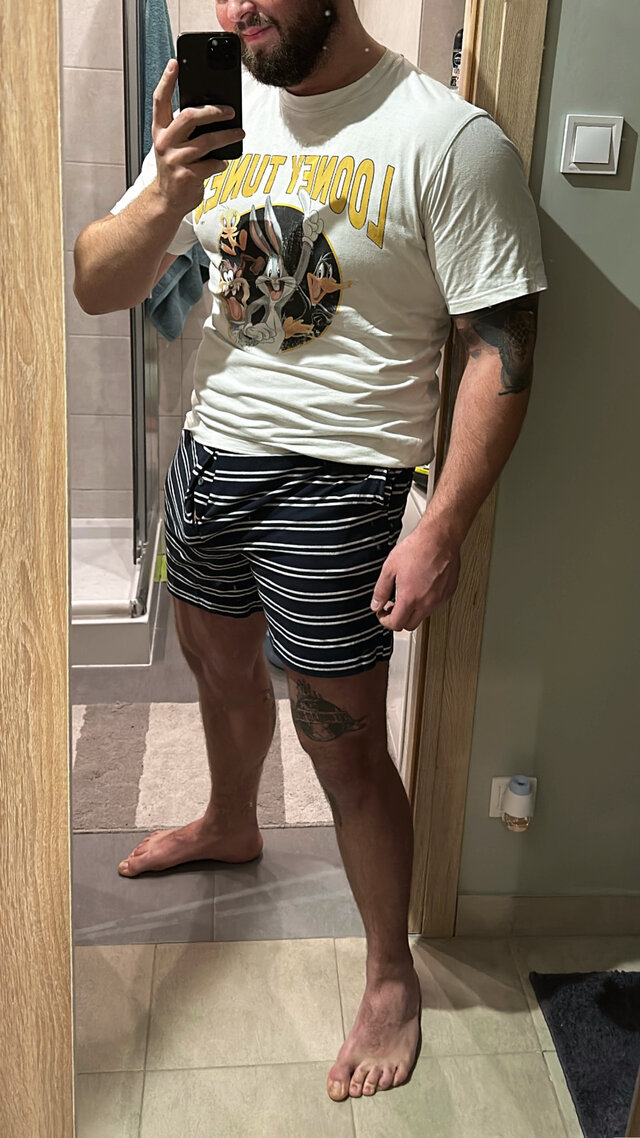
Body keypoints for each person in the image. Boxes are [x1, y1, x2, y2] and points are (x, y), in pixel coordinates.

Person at [73, 0, 547, 1103]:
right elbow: (97, 284)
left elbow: (503, 345)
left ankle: (389, 974)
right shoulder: (212, 124)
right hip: (210, 458)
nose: (238, 10)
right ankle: (231, 821)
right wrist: (167, 190)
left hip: (340, 486)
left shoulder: (447, 140)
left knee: (342, 745)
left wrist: (443, 525)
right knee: (219, 674)